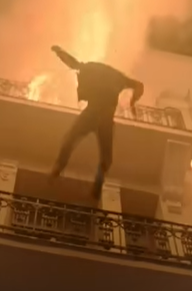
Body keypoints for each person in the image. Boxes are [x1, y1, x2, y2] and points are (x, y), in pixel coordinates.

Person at [49, 45, 144, 200]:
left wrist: (59, 52)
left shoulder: (91, 69)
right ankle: (97, 187)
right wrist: (133, 102)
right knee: (106, 158)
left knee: (70, 139)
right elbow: (139, 86)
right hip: (106, 118)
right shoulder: (119, 78)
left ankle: (58, 167)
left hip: (92, 113)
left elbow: (73, 63)